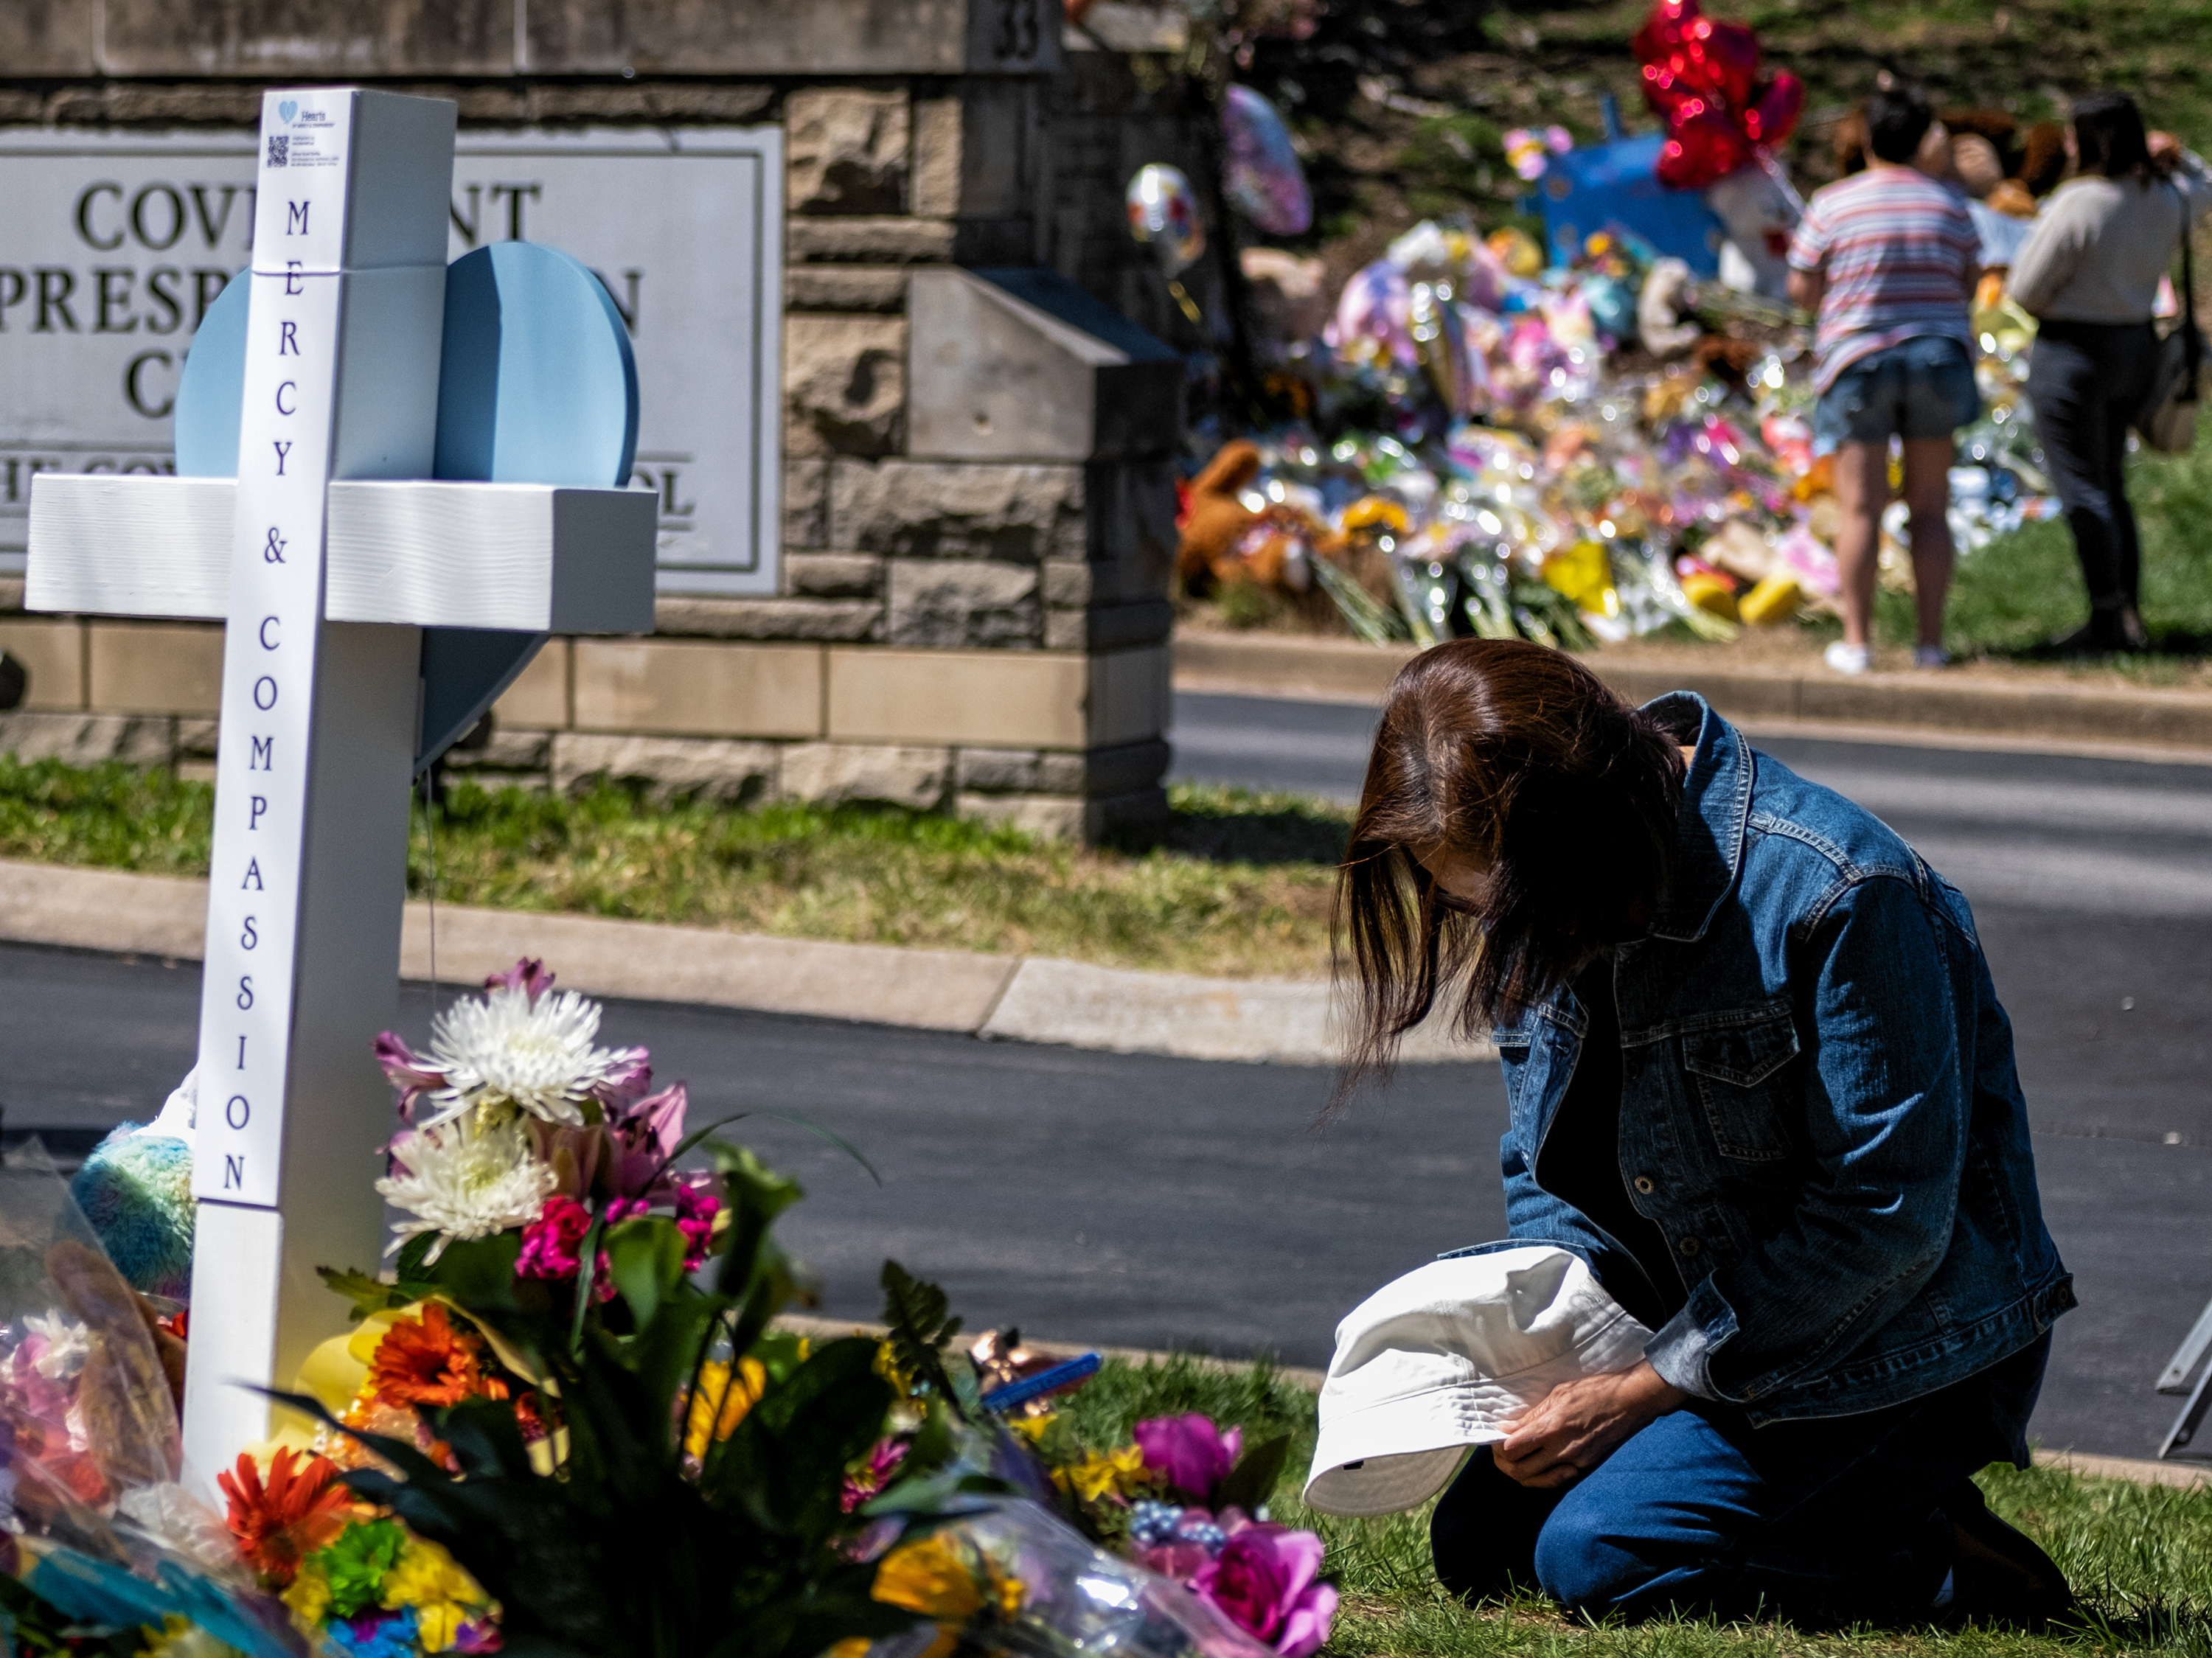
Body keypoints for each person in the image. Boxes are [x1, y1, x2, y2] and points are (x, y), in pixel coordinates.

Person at [1334, 639, 2076, 1627]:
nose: (1476, 924)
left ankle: (1943, 1561)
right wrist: (1543, 1342)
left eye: (1493, 903)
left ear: (1582, 841)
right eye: (1460, 900)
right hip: (1702, 1339)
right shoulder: (1554, 879)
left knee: (1601, 1560)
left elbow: (1886, 1219)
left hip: (1903, 1345)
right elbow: (1544, 1170)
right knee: (1484, 1544)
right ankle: (1839, 1506)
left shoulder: (1840, 889)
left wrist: (1644, 1390)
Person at [1787, 87, 1982, 675]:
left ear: (1868, 138)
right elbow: (1969, 281)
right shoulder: (1949, 205)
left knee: (1861, 510)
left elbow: (1802, 288)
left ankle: (1858, 642)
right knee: (1929, 508)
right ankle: (1930, 644)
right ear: (1925, 139)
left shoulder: (1832, 203)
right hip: (1937, 360)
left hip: (1858, 363)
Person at [2008, 92, 2212, 654]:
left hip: (2073, 349)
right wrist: (2179, 152)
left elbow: (2025, 288)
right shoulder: (2168, 195)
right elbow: (2207, 183)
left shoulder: (2081, 203)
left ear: (2089, 141)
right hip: (2137, 343)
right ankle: (2129, 611)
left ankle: (2107, 616)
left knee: (2082, 487)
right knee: (2113, 485)